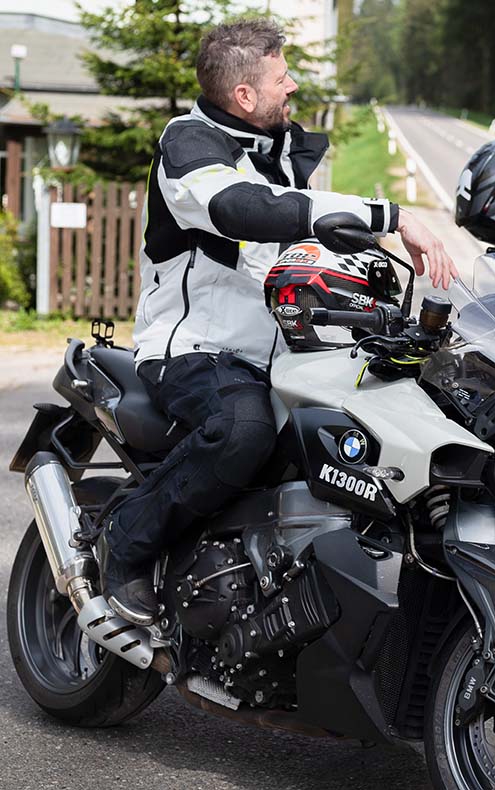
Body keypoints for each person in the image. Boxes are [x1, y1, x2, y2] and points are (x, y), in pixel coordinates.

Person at [103, 17, 457, 625]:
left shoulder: (280, 153)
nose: (292, 86)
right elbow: (244, 209)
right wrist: (391, 216)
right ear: (244, 95)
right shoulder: (189, 146)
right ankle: (125, 544)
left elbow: (303, 246)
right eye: (281, 78)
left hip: (289, 357)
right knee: (242, 430)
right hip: (195, 351)